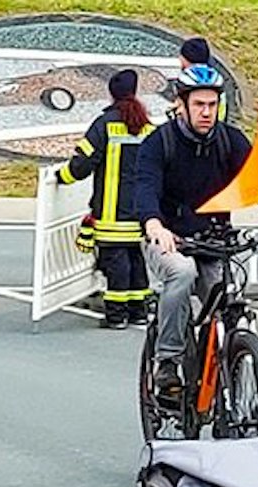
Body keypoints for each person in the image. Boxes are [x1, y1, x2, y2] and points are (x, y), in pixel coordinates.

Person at [132, 62, 258, 396]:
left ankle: (225, 364)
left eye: (212, 104)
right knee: (182, 273)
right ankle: (167, 361)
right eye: (198, 104)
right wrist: (154, 224)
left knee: (227, 293)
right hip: (169, 238)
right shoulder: (160, 143)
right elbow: (145, 187)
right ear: (181, 104)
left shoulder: (230, 141)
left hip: (213, 239)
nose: (206, 112)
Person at [58, 69, 154, 328]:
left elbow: (82, 163)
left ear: (112, 94)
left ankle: (116, 315)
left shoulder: (104, 124)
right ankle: (139, 311)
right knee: (136, 260)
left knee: (116, 262)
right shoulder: (147, 126)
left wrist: (61, 177)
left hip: (111, 212)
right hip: (140, 211)